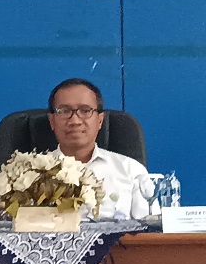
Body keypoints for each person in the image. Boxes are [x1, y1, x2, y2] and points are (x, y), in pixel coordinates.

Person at [47, 78, 149, 219]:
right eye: (64, 111)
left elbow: (151, 228)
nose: (75, 121)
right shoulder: (31, 176)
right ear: (52, 121)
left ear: (100, 120)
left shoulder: (131, 171)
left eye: (85, 111)